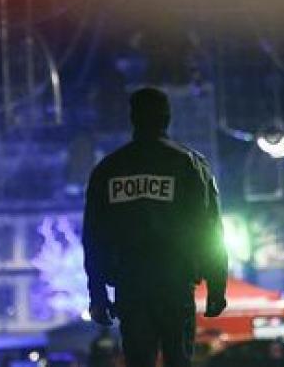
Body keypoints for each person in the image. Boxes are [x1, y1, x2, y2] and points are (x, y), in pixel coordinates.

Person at [83, 87, 228, 367]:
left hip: (130, 285)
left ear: (133, 118)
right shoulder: (190, 165)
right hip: (176, 284)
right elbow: (210, 231)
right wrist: (216, 287)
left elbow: (94, 238)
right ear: (167, 118)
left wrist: (98, 295)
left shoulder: (109, 169)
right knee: (178, 360)